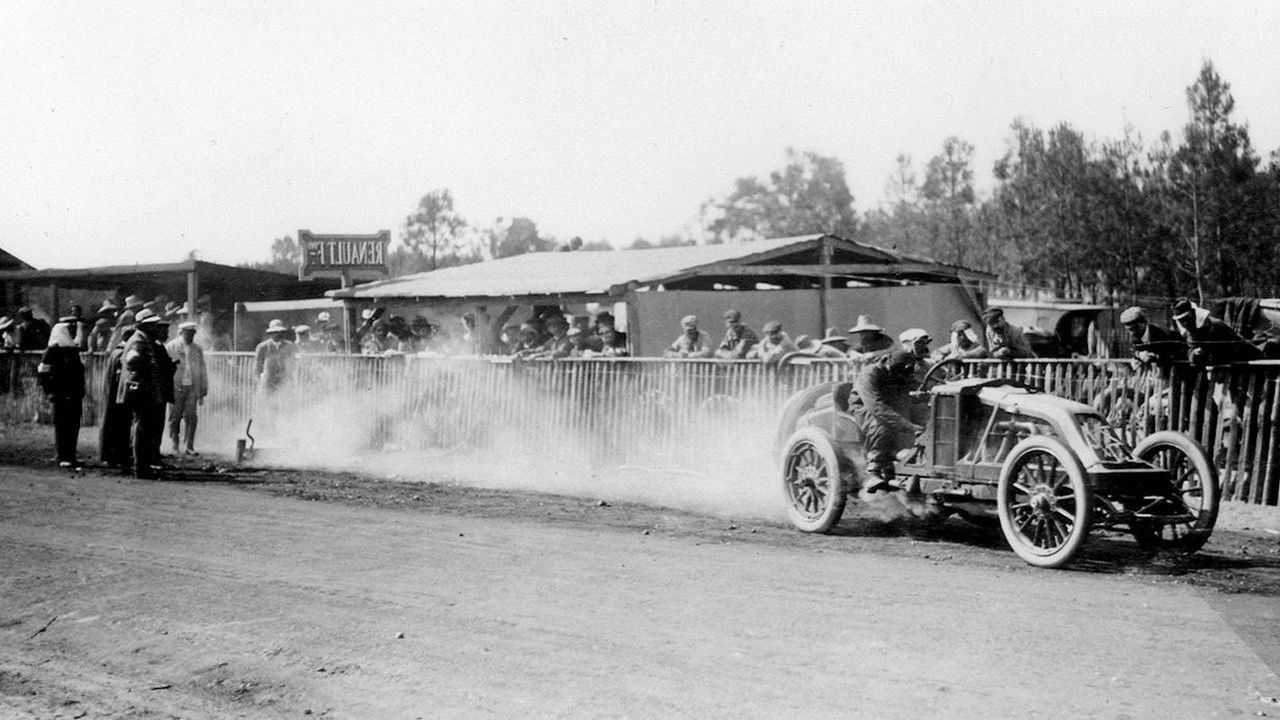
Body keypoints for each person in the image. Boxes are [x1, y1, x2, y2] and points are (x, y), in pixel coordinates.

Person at [848, 349, 923, 493]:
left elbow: (917, 385)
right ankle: (873, 471)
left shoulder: (901, 372)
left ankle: (906, 460)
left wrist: (925, 392)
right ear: (888, 364)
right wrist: (908, 426)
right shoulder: (870, 374)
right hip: (864, 408)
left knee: (920, 416)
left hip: (891, 407)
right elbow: (877, 407)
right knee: (883, 423)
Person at [119, 309, 170, 479]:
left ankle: (143, 465)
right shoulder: (138, 341)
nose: (156, 328)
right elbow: (132, 362)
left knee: (145, 428)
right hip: (141, 392)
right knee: (142, 428)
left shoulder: (144, 340)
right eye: (152, 325)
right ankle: (140, 468)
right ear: (144, 326)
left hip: (144, 391)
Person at [37, 315, 86, 468]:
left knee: (73, 425)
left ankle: (71, 454)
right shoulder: (52, 351)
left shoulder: (72, 350)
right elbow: (43, 373)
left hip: (75, 394)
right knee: (62, 425)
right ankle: (62, 455)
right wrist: (50, 391)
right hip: (60, 394)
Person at [1171, 297, 1261, 367]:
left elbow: (1231, 350)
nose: (1185, 323)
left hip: (1246, 360)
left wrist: (1207, 355)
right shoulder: (1189, 332)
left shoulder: (1213, 326)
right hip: (1225, 368)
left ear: (1193, 313)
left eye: (1187, 318)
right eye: (1181, 320)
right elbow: (1191, 350)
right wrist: (1194, 354)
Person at [165, 320, 208, 456]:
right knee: (175, 417)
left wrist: (203, 387)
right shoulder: (171, 347)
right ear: (181, 333)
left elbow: (202, 369)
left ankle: (190, 445)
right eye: (188, 333)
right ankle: (175, 445)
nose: (190, 336)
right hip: (176, 387)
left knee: (191, 416)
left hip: (192, 387)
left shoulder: (197, 349)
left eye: (192, 333)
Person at [98, 326, 135, 472]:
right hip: (118, 395)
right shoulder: (122, 353)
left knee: (113, 424)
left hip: (112, 394)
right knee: (120, 425)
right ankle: (117, 456)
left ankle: (112, 455)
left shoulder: (116, 352)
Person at [1119, 306, 1185, 368]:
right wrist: (1140, 355)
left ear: (1144, 322)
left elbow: (1171, 355)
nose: (1133, 332)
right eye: (1130, 330)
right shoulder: (1135, 336)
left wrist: (1154, 357)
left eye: (1136, 328)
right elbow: (1133, 350)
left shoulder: (1163, 334)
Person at [254, 319, 299, 393]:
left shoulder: (290, 346)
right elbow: (257, 365)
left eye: (279, 332)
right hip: (268, 382)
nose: (277, 334)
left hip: (284, 381)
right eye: (274, 332)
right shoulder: (262, 347)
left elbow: (294, 364)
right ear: (270, 333)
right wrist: (259, 381)